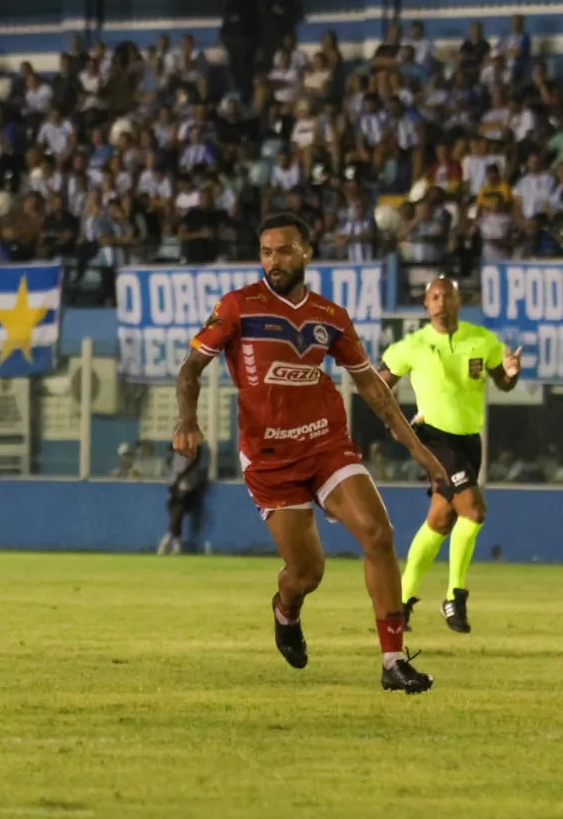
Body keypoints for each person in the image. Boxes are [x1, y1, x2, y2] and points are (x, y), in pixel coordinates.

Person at [173, 214, 451, 693]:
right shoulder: (239, 306)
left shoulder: (331, 316)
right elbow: (190, 369)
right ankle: (286, 611)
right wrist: (187, 421)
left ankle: (392, 662)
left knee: (377, 533)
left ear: (306, 253)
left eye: (282, 251)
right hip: (269, 458)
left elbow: (374, 390)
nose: (273, 261)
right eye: (265, 252)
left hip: (326, 444)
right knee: (306, 572)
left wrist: (421, 452)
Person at [378, 277, 522, 633]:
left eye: (448, 296)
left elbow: (501, 381)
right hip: (433, 437)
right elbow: (378, 384)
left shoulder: (483, 340)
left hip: (469, 441)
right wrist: (394, 422)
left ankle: (401, 603)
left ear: (459, 301)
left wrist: (511, 375)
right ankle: (453, 597)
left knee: (440, 521)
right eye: (434, 297)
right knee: (473, 511)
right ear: (426, 305)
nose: (441, 302)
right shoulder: (413, 345)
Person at [157, 448, 208, 555]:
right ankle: (176, 542)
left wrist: (181, 476)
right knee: (174, 511)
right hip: (175, 481)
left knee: (178, 511)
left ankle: (169, 540)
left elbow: (195, 461)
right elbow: (170, 458)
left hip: (187, 483)